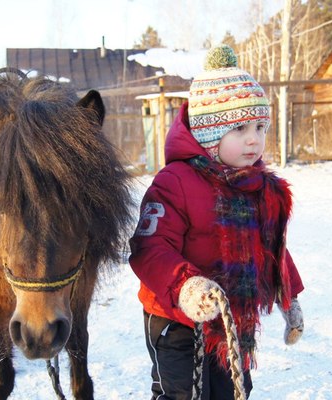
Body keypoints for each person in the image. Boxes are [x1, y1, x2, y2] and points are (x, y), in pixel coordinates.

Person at [129, 45, 305, 400]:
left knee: (231, 391)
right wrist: (185, 286)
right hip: (176, 319)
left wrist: (289, 297)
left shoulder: (256, 184)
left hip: (231, 321)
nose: (254, 139)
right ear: (210, 134)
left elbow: (270, 248)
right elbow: (149, 247)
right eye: (239, 128)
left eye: (259, 126)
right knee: (183, 393)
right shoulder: (174, 182)